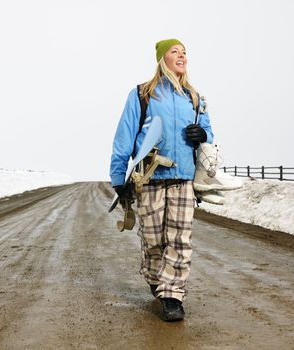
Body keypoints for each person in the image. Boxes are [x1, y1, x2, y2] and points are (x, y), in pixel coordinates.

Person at [109, 38, 214, 321]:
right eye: (175, 52)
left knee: (179, 239)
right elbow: (125, 136)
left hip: (183, 178)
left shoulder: (195, 97)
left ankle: (172, 295)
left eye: (184, 52)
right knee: (154, 239)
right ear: (162, 59)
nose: (181, 56)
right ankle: (156, 278)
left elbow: (209, 133)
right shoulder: (143, 94)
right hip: (151, 176)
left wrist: (203, 136)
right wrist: (119, 177)